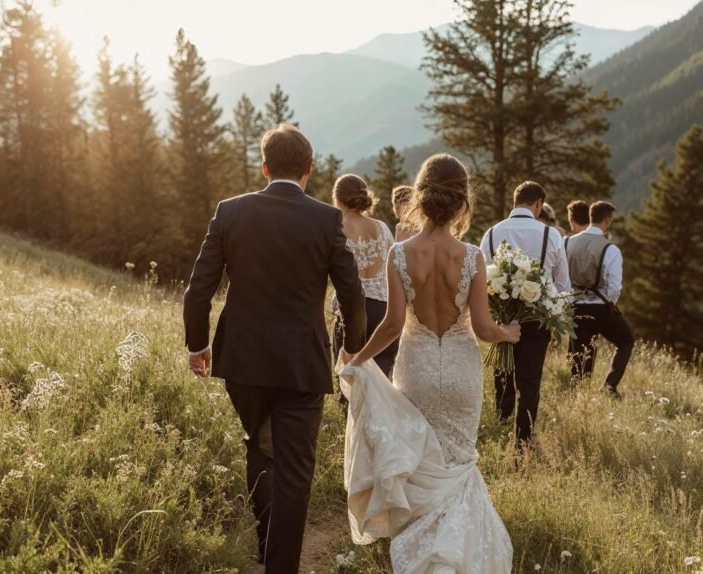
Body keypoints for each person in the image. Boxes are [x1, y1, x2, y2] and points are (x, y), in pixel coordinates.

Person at [183, 124, 366, 573]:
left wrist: (197, 345)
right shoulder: (326, 218)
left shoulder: (230, 211)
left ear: (264, 168)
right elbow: (352, 293)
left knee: (260, 447)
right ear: (308, 169)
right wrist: (352, 351)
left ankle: (268, 549)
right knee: (295, 470)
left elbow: (197, 291)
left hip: (242, 360)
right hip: (302, 361)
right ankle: (278, 565)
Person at [339, 153, 519, 572]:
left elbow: (391, 324)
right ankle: (456, 555)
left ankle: (422, 551)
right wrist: (509, 333)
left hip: (416, 366)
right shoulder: (472, 256)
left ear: (421, 197)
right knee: (458, 459)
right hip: (460, 370)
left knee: (421, 460)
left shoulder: (399, 254)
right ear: (461, 202)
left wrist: (357, 358)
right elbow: (484, 328)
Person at [479, 181, 570, 446]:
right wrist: (557, 318)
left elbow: (481, 276)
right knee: (529, 381)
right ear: (539, 204)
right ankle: (523, 441)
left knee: (503, 374)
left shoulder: (492, 233)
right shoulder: (550, 235)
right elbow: (563, 284)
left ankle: (501, 423)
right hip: (537, 318)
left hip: (503, 318)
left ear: (515, 201)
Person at [565, 200, 634, 397]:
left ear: (590, 218)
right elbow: (614, 287)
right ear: (607, 221)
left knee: (579, 356)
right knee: (626, 341)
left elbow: (560, 276)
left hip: (575, 306)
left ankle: (578, 395)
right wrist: (608, 303)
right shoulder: (610, 249)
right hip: (600, 307)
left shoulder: (567, 242)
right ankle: (609, 385)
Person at [331, 175, 399, 376]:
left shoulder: (336, 228)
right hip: (382, 310)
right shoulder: (382, 227)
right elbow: (393, 265)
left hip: (351, 309)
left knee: (349, 376)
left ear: (338, 200)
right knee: (381, 378)